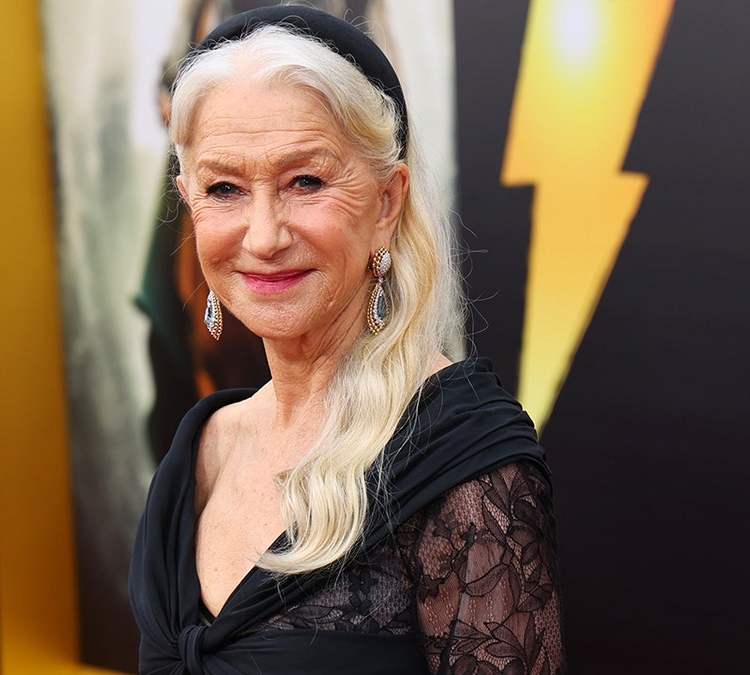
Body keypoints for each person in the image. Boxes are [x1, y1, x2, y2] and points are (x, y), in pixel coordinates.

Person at [128, 6, 564, 674]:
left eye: (306, 180)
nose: (264, 234)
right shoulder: (198, 452)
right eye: (224, 188)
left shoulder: (463, 463)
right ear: (189, 200)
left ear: (386, 203)